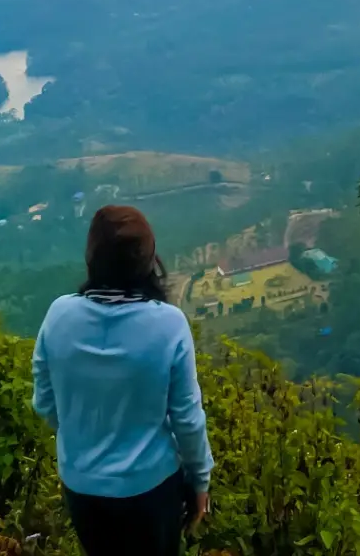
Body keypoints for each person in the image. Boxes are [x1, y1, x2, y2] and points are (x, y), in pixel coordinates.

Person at [33, 205, 214, 556]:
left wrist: (84, 435)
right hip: (151, 489)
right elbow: (188, 420)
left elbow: (44, 402)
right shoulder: (169, 325)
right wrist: (200, 480)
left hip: (82, 488)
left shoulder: (59, 315)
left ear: (92, 258)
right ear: (147, 261)